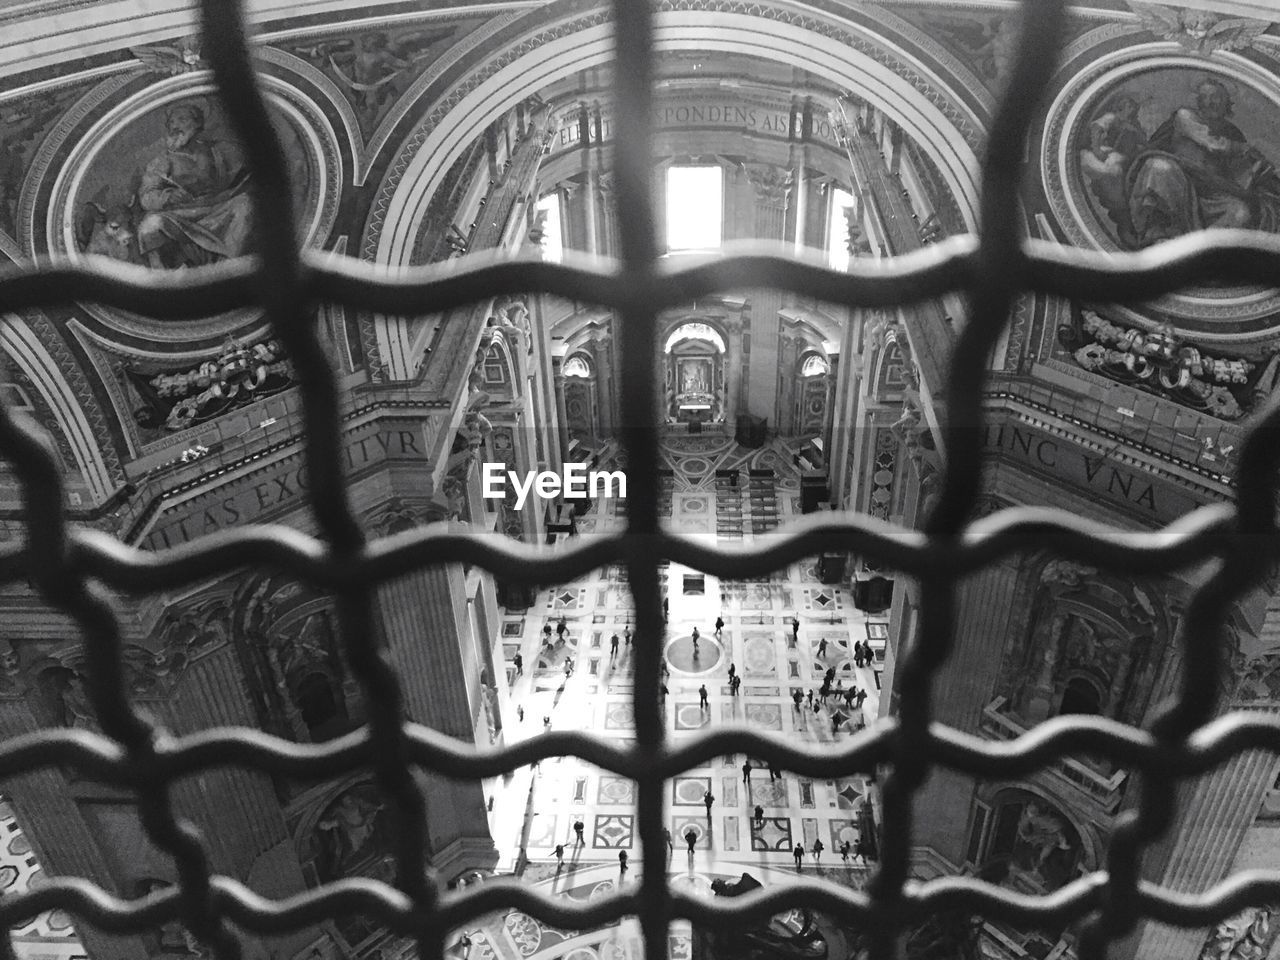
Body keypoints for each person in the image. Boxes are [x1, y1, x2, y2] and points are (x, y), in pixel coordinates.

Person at [1125, 79, 1280, 246]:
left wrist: (1262, 172)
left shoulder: (1231, 131)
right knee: (1160, 167)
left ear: (1227, 101)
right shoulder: (1185, 116)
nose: (1209, 102)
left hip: (1210, 192)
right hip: (1180, 182)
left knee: (1240, 212)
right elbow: (1213, 144)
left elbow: (1240, 173)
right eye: (1204, 97)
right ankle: (1160, 231)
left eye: (1215, 97)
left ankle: (1198, 252)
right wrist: (1245, 149)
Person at [135, 103, 256, 269]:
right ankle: (161, 279)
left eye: (182, 120)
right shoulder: (162, 161)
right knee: (150, 225)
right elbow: (146, 196)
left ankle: (227, 267)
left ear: (197, 123)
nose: (175, 126)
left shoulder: (219, 150)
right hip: (182, 216)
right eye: (171, 122)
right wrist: (168, 196)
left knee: (245, 204)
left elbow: (250, 167)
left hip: (218, 209)